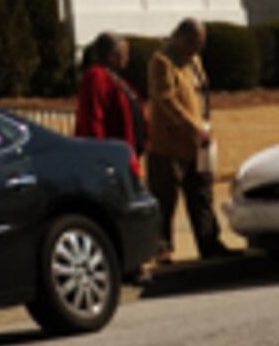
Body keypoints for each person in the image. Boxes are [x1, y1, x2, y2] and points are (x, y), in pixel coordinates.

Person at [143, 20, 227, 276]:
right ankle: (162, 249)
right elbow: (165, 99)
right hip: (168, 145)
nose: (197, 49)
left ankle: (209, 243)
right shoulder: (161, 62)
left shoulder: (194, 62)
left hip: (198, 144)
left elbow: (200, 95)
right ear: (180, 37)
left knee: (201, 195)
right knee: (165, 198)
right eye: (193, 43)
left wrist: (205, 126)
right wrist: (192, 126)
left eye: (200, 44)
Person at [71, 34, 143, 188]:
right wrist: (102, 155)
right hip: (109, 161)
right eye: (124, 54)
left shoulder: (115, 78)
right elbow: (93, 120)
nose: (127, 59)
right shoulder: (96, 77)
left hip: (125, 156)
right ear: (112, 56)